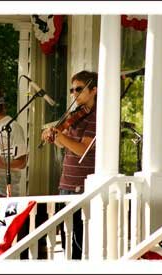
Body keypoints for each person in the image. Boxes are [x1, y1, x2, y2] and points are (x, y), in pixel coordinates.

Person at [41, 70, 98, 259]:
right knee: (66, 242)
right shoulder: (75, 115)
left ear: (94, 90)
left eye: (79, 89)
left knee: (80, 243)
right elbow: (64, 144)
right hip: (66, 183)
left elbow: (83, 149)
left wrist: (60, 136)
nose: (74, 93)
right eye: (72, 89)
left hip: (81, 185)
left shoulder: (95, 117)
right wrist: (53, 137)